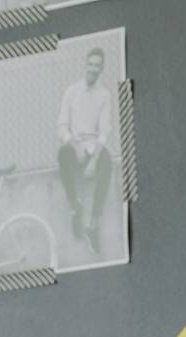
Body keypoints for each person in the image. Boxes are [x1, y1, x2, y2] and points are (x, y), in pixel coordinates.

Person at [56, 46, 117, 255]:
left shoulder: (105, 95)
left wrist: (92, 160)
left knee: (107, 164)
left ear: (102, 69)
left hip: (93, 146)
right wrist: (74, 145)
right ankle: (75, 207)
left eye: (97, 66)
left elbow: (104, 132)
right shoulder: (71, 91)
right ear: (85, 65)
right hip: (74, 144)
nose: (93, 69)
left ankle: (93, 224)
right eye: (90, 64)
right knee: (63, 154)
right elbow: (62, 125)